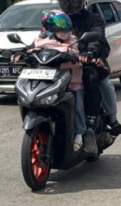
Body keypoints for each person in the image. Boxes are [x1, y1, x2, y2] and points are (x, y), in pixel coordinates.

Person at [56, 0, 121, 135]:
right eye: (66, 0)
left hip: (90, 61)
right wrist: (30, 50)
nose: (69, 4)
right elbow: (44, 36)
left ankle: (108, 119)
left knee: (100, 81)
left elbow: (98, 39)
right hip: (63, 62)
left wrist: (90, 52)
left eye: (73, 0)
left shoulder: (93, 19)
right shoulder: (57, 19)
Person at [32, 10, 93, 153]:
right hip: (49, 81)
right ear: (48, 28)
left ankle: (80, 133)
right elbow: (33, 49)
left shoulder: (73, 41)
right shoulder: (42, 41)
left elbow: (77, 52)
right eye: (59, 24)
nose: (64, 28)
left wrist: (79, 55)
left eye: (65, 24)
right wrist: (20, 54)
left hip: (72, 81)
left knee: (78, 106)